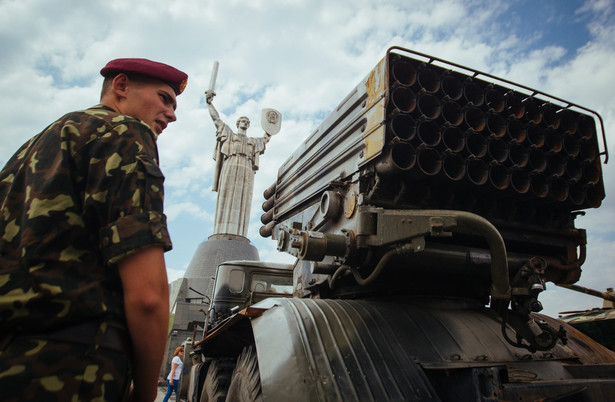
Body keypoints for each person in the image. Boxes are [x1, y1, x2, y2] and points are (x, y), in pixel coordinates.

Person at [0, 58, 188, 401]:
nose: (172, 113)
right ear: (121, 86)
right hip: (75, 367)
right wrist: (145, 394)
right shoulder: (126, 132)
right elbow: (148, 297)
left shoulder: (31, 150)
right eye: (164, 98)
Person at [206, 91, 271, 237]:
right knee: (226, 197)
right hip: (230, 164)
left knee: (243, 201)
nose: (245, 123)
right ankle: (221, 232)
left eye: (248, 122)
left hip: (246, 169)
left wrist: (271, 127)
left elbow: (266, 138)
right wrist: (210, 103)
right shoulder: (229, 134)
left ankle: (239, 234)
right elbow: (216, 119)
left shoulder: (253, 141)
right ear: (238, 123)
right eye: (243, 121)